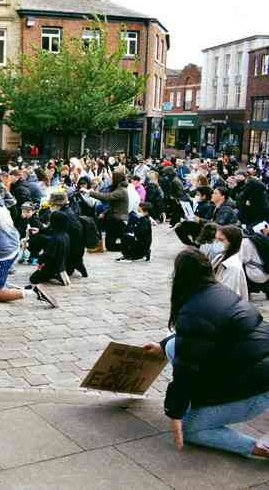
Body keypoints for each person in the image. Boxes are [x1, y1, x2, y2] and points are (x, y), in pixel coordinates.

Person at [143, 249, 269, 460]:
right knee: (174, 347)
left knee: (191, 428)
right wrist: (162, 345)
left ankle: (259, 449)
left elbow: (184, 371)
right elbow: (190, 341)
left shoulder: (193, 310)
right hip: (252, 365)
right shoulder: (218, 292)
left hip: (259, 388)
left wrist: (175, 413)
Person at [83, 170, 129, 251]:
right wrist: (104, 213)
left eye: (112, 178)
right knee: (98, 222)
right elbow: (112, 205)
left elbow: (106, 197)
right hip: (114, 218)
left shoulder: (121, 191)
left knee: (110, 246)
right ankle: (98, 244)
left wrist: (90, 193)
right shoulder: (119, 189)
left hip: (118, 220)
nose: (111, 180)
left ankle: (131, 247)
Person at [29, 211, 71, 288]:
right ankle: (57, 273)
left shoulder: (56, 237)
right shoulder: (66, 235)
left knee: (33, 279)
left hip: (52, 266)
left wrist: (40, 261)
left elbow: (49, 255)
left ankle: (56, 275)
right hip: (62, 263)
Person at [213, 225, 249, 301]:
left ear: (232, 242)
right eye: (216, 239)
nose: (216, 242)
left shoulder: (233, 267)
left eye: (221, 240)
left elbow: (225, 295)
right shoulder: (219, 257)